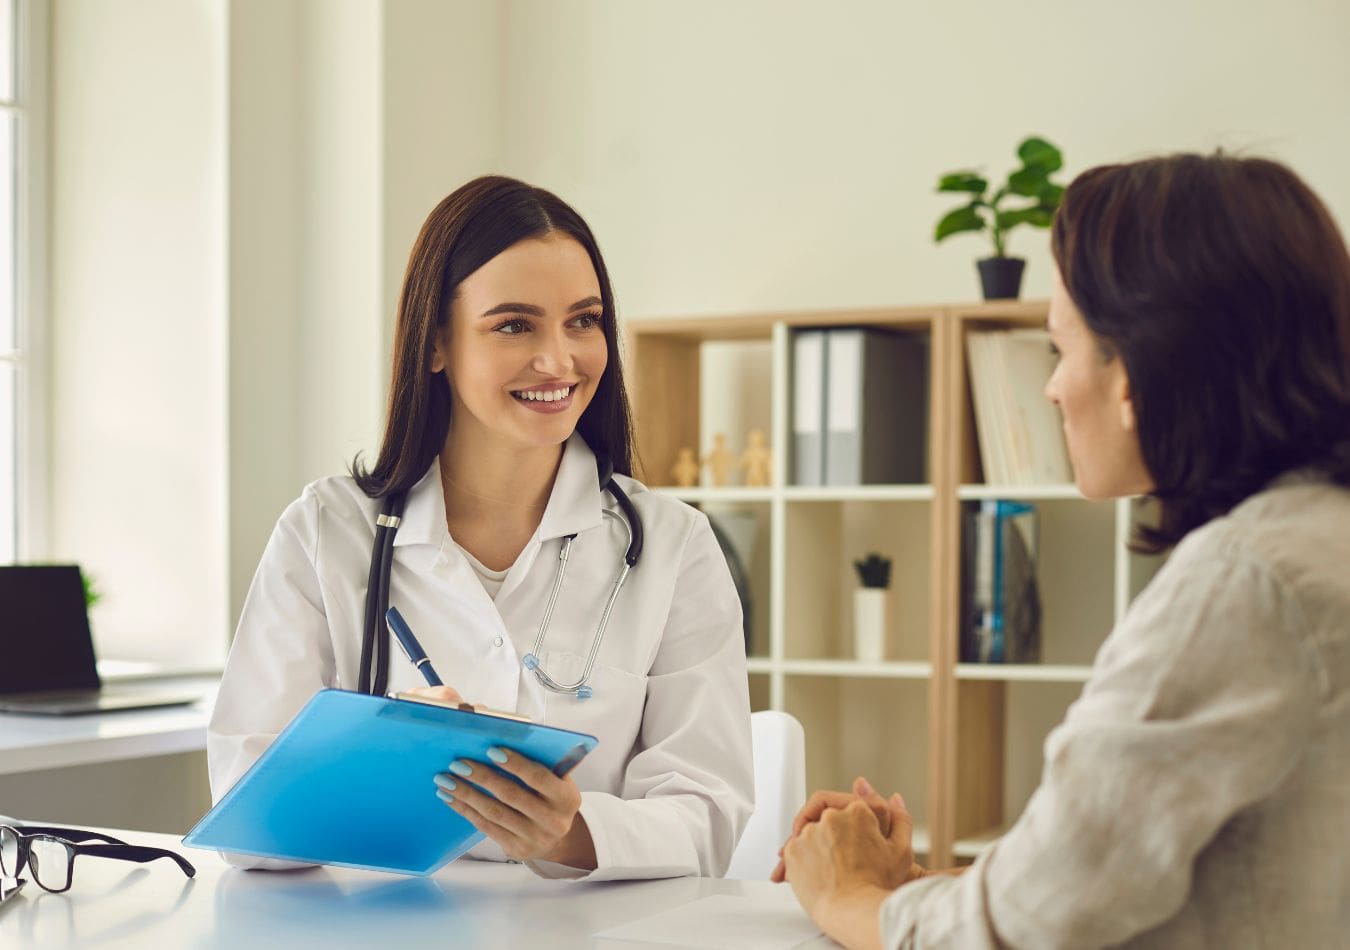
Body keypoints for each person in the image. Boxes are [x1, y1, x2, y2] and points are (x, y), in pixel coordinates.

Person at [776, 153, 1350, 947]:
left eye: (1060, 347)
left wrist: (845, 898)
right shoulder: (1319, 539)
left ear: (1133, 373)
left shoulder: (1242, 584)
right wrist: (905, 887)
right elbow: (1112, 883)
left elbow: (1017, 934)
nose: (1050, 388)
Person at [209, 175, 753, 880]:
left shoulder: (673, 546)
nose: (559, 360)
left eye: (583, 320)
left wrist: (569, 830)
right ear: (435, 344)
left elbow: (709, 813)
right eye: (514, 325)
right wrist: (382, 756)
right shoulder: (327, 532)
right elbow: (247, 832)